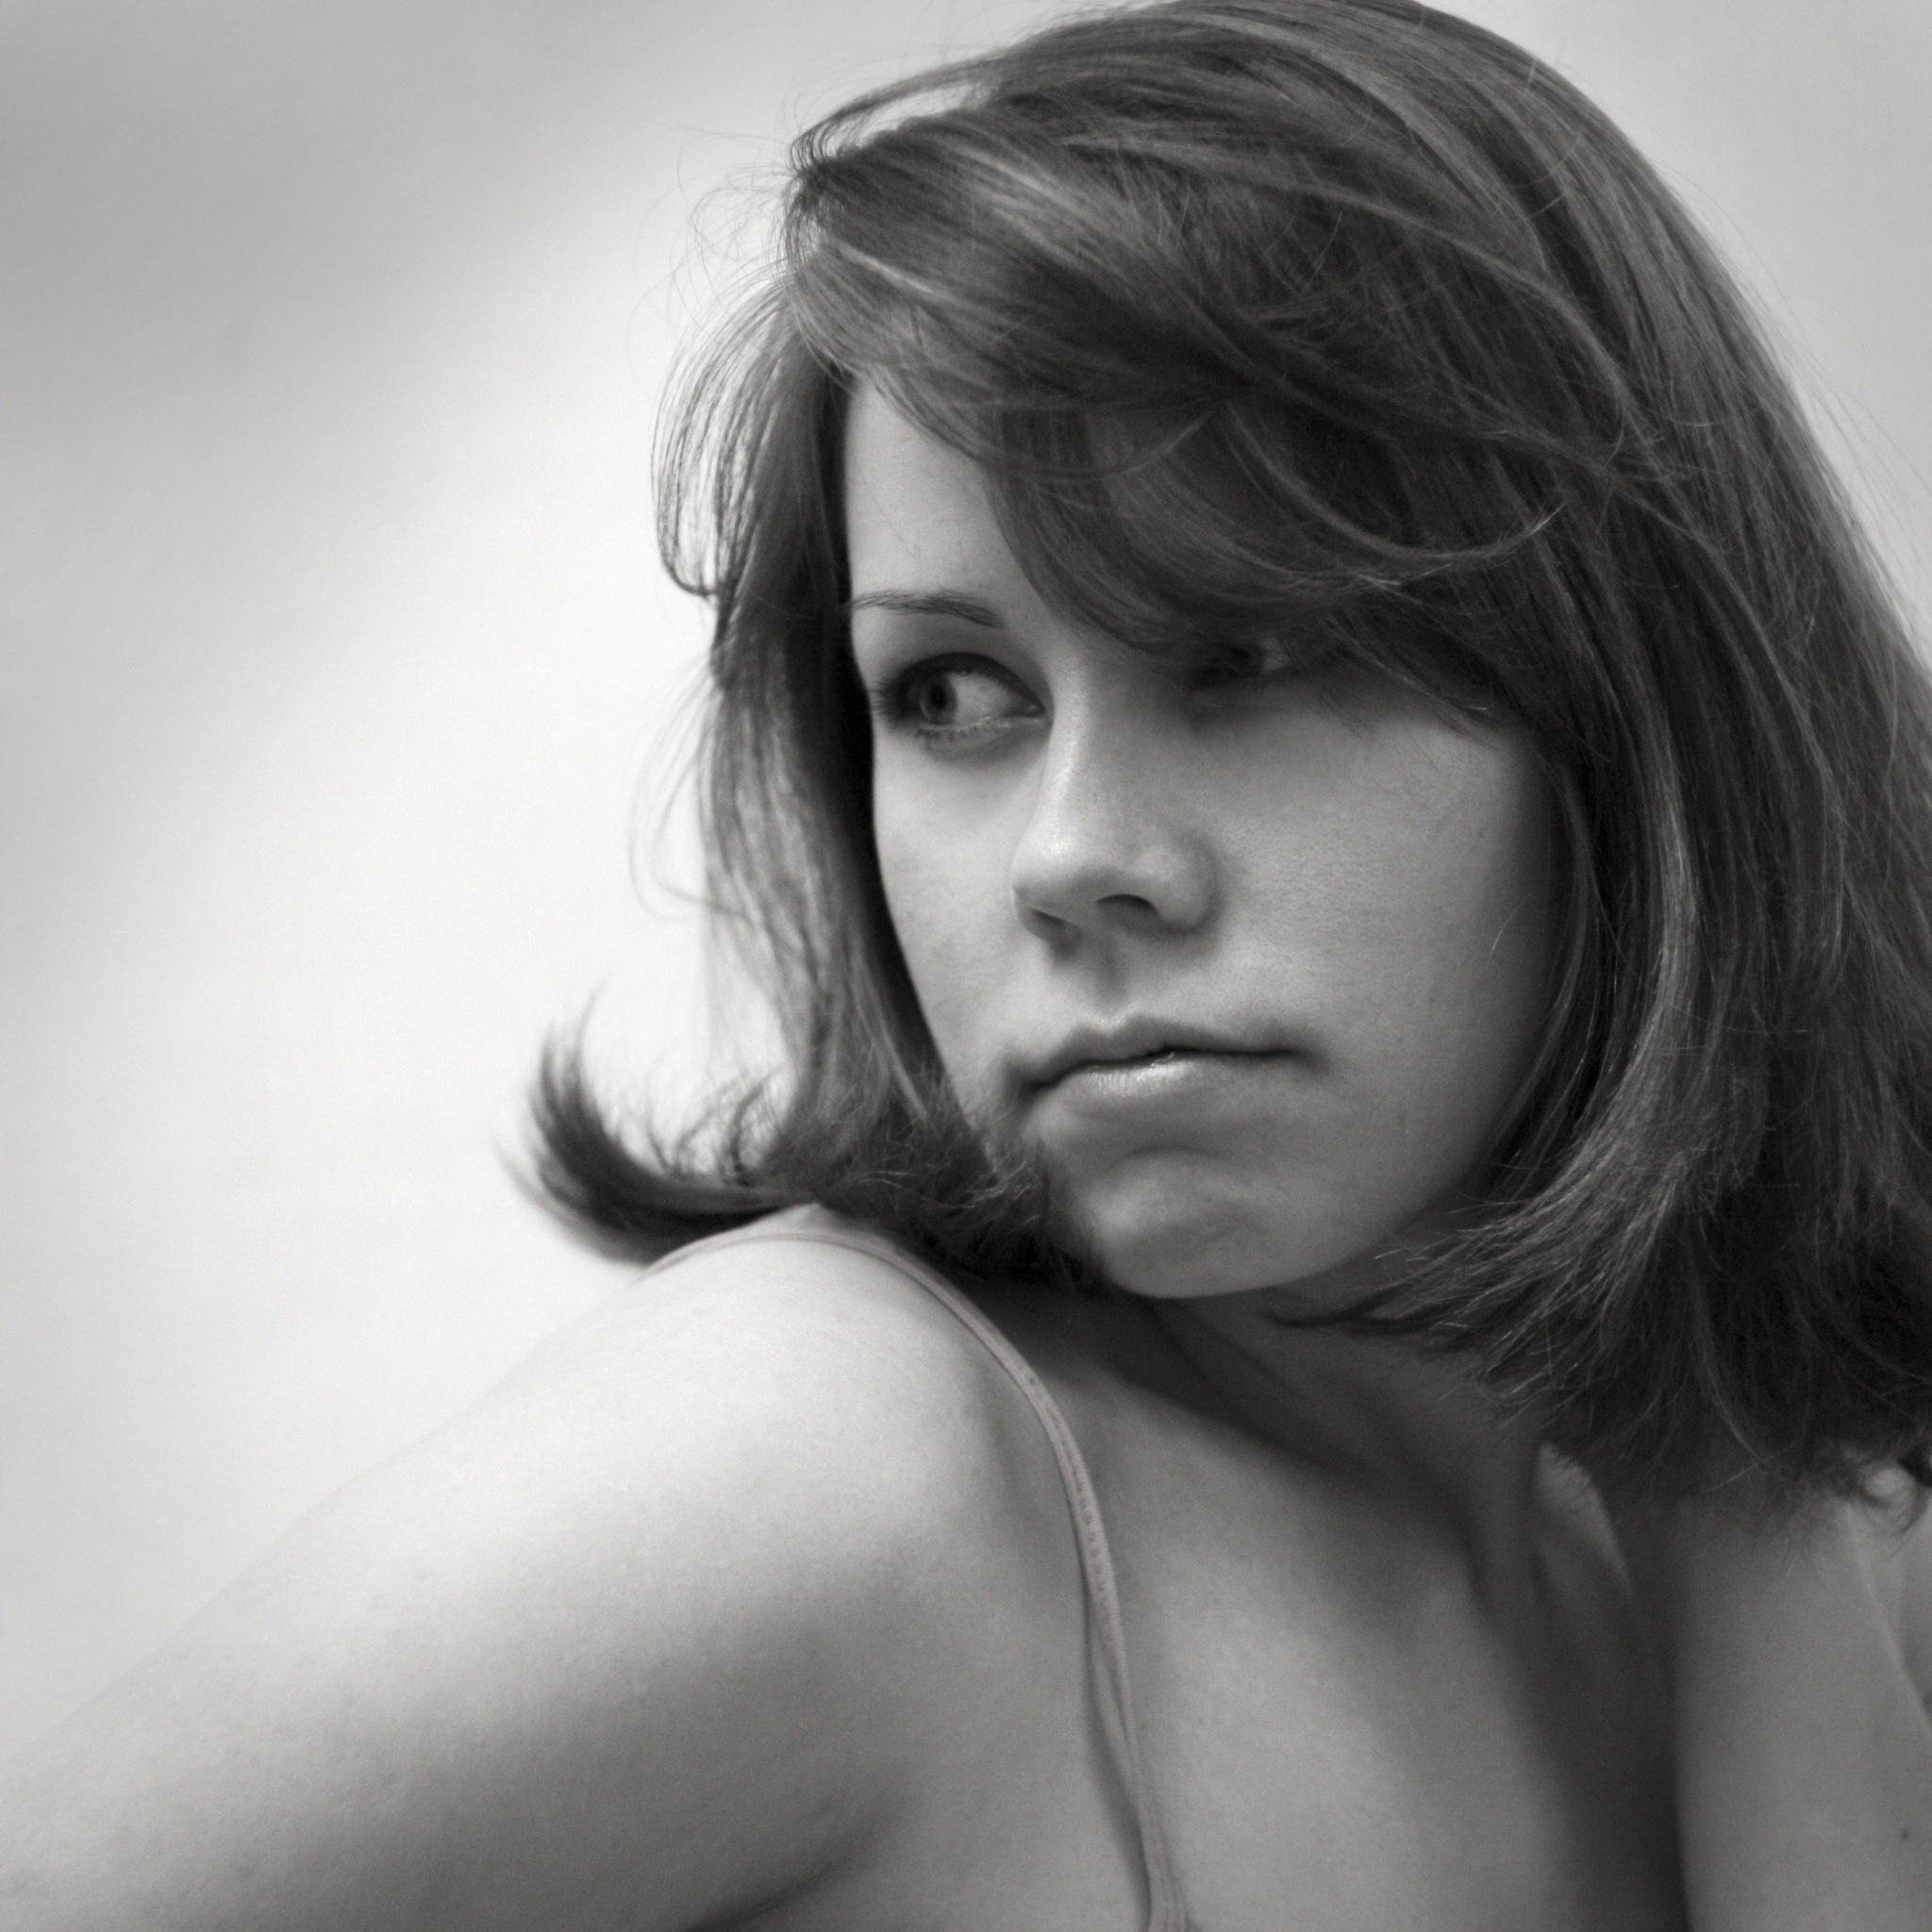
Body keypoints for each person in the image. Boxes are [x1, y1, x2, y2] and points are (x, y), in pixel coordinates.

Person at [6, 0, 1932, 1924]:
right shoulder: (824, 1470)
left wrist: (1739, 1425)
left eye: (1248, 654)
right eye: (948, 693)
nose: (1072, 857)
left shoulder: (1757, 1524)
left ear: (1640, 714)